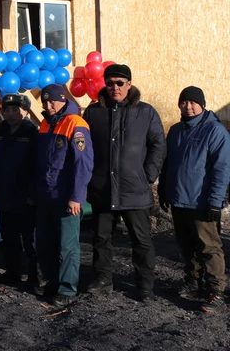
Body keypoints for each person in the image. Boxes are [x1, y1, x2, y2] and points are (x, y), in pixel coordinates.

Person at [82, 64, 165, 301]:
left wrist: (147, 175)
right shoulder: (94, 112)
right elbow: (85, 149)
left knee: (141, 240)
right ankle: (102, 279)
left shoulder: (146, 112)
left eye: (120, 83)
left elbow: (158, 145)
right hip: (102, 189)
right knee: (100, 238)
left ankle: (145, 286)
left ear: (129, 84)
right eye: (110, 83)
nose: (114, 87)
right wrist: (90, 178)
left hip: (134, 190)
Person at [158, 86, 230, 312]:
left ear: (202, 104)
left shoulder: (215, 131)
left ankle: (216, 291)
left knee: (209, 248)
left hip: (202, 202)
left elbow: (222, 169)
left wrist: (215, 201)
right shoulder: (176, 130)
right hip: (179, 199)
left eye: (192, 102)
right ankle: (192, 282)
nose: (188, 107)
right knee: (186, 246)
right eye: (183, 102)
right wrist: (164, 189)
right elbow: (168, 164)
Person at [34, 84, 93, 305]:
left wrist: (76, 197)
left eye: (53, 102)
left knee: (67, 246)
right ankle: (52, 282)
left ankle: (67, 289)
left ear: (63, 100)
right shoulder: (44, 124)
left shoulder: (76, 125)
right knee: (45, 243)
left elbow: (83, 165)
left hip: (66, 197)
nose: (49, 106)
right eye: (45, 103)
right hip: (46, 196)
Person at [0, 94, 38, 286]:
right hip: (5, 192)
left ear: (25, 111)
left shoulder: (32, 133)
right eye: (7, 110)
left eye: (15, 110)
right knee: (8, 237)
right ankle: (12, 272)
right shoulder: (0, 131)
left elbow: (37, 166)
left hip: (25, 195)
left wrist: (33, 193)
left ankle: (34, 275)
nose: (10, 114)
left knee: (30, 239)